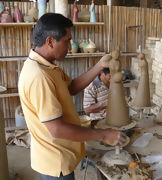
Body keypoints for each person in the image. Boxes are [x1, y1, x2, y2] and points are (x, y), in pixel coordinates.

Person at [18, 13, 126, 180]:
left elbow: (72, 87)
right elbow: (56, 129)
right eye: (67, 41)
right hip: (55, 162)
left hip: (62, 154)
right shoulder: (39, 76)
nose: (70, 47)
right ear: (50, 41)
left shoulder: (47, 66)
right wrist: (104, 135)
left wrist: (99, 66)